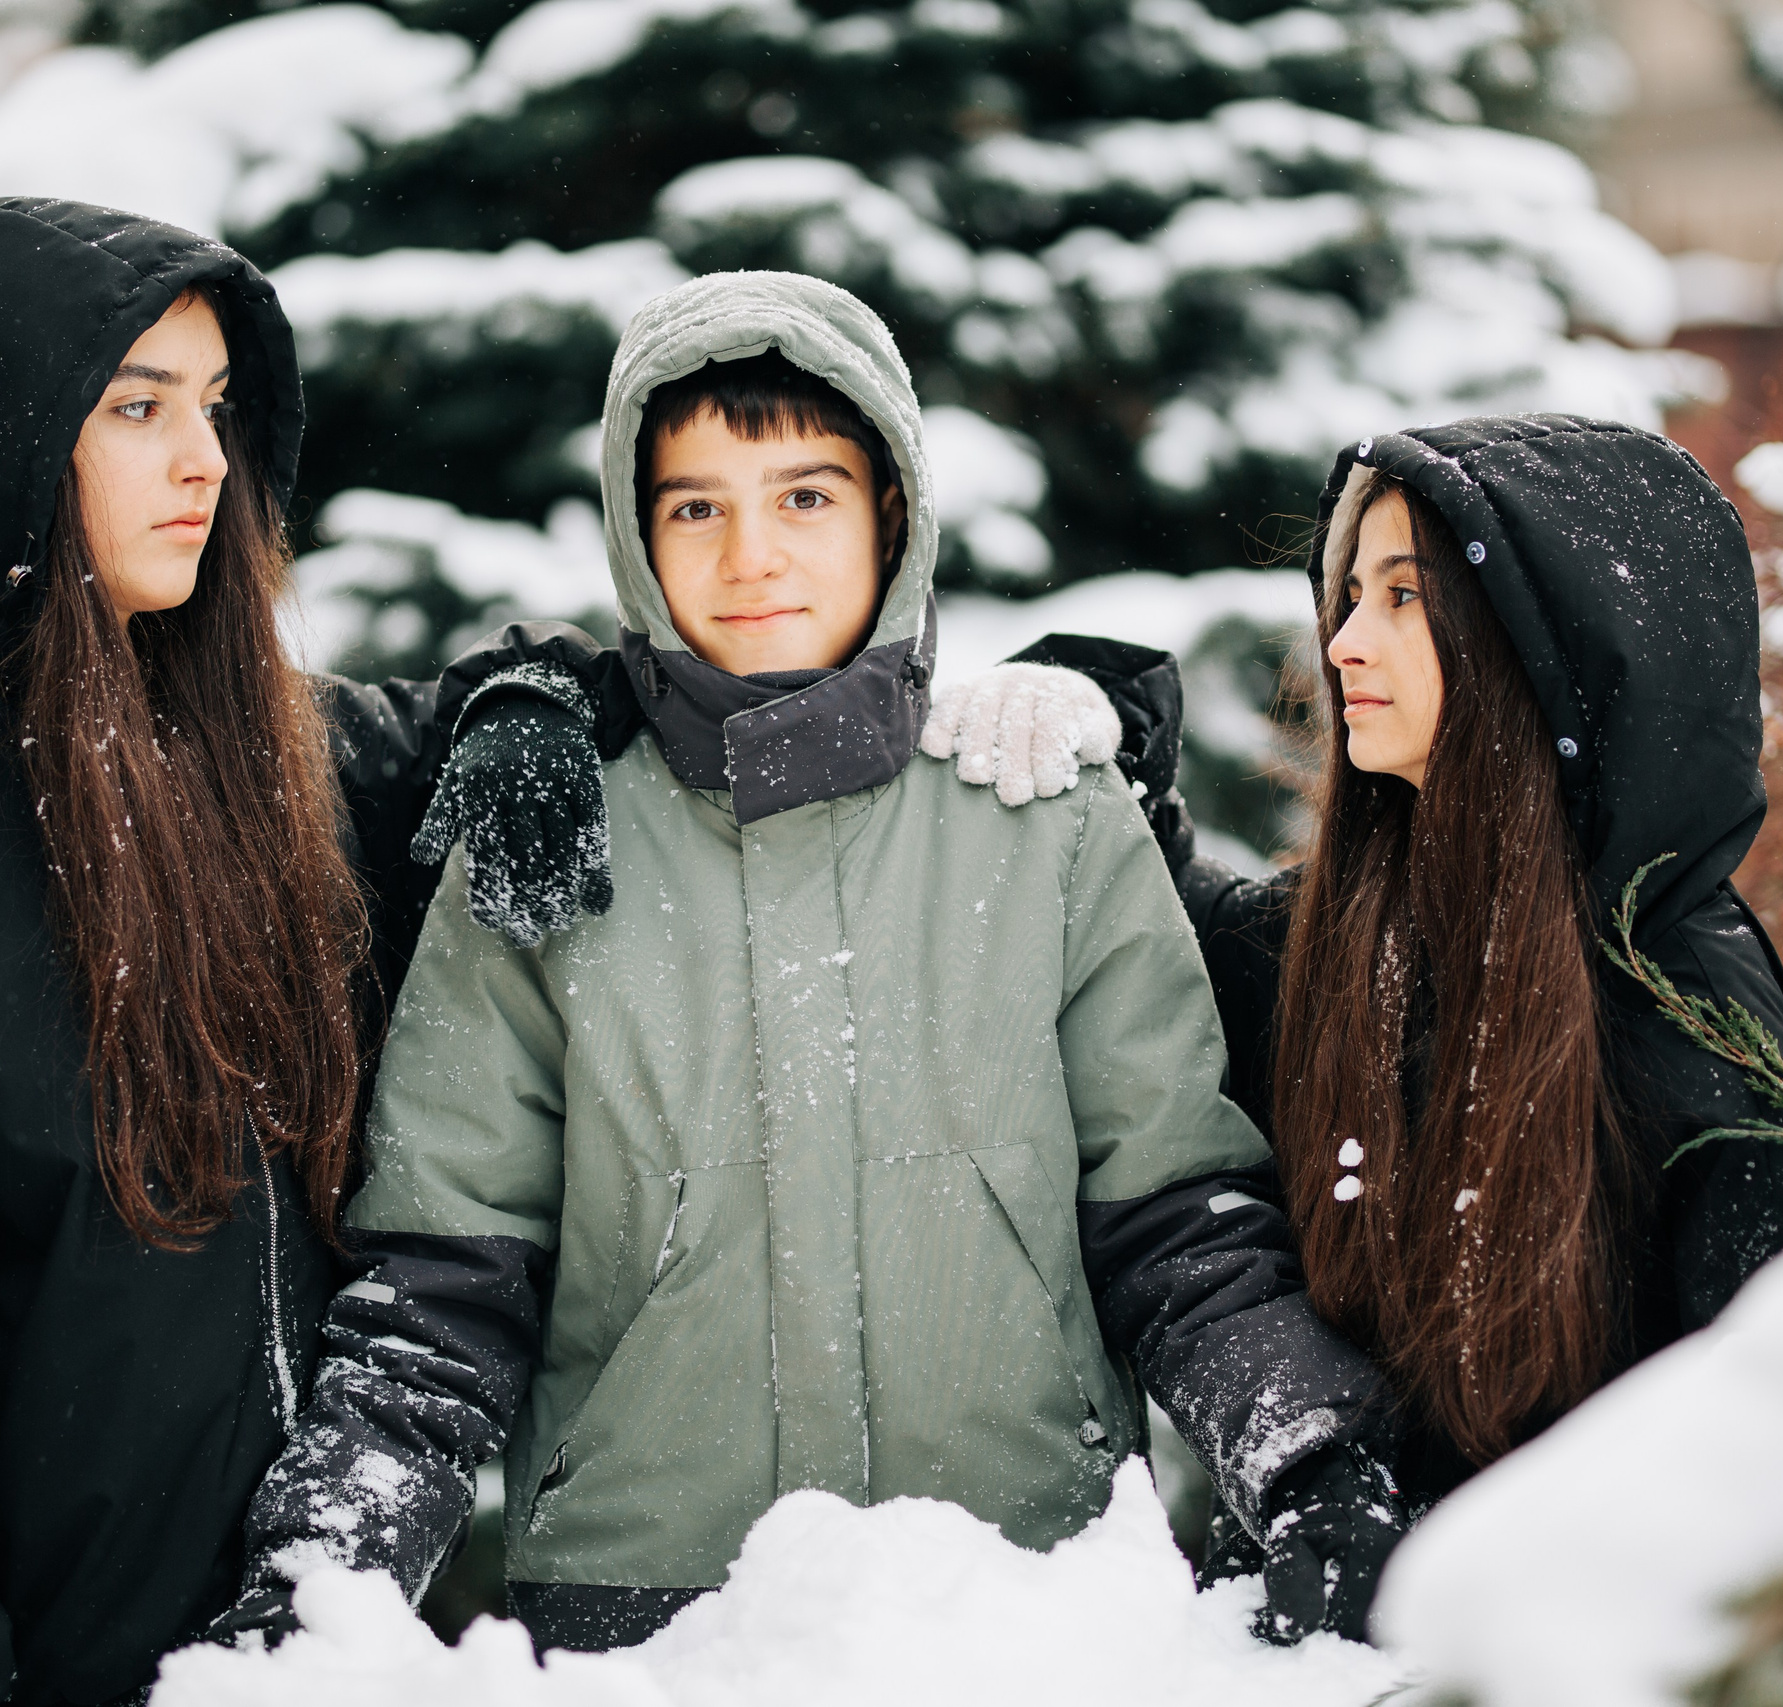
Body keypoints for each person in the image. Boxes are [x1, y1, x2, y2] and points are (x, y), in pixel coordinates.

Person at [226, 270, 1407, 1658]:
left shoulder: (1044, 817)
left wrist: (1315, 1458)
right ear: (636, 535)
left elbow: (1177, 1224)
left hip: (1019, 1598)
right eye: (695, 508)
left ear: (891, 514)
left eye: (804, 497)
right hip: (646, 1620)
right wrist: (320, 1587)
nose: (751, 556)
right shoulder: (550, 841)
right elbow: (441, 1286)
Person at [0, 197, 620, 1707]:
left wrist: (526, 707)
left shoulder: (275, 761)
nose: (206, 462)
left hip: (319, 1669)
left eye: (218, 406)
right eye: (136, 407)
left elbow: (585, 690)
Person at [1006, 415, 1783, 1527]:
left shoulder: (1678, 1001)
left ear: (1550, 641)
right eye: (1351, 595)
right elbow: (1169, 937)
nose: (1344, 643)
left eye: (1404, 596)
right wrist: (1090, 722)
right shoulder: (1357, 929)